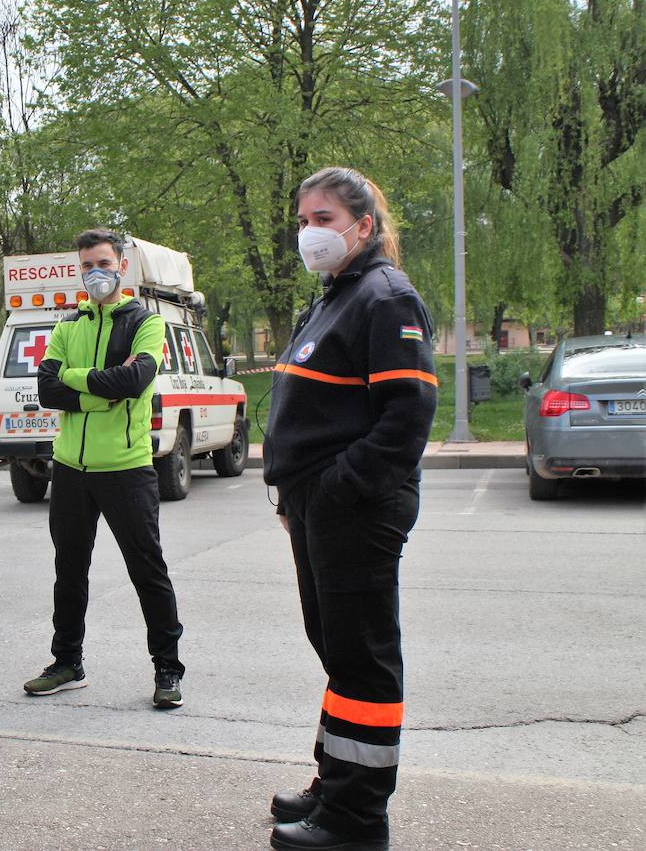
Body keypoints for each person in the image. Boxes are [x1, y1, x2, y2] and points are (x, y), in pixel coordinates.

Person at [263, 167, 438, 851]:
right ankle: (335, 781)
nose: (311, 233)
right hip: (315, 505)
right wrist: (293, 494)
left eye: (325, 219)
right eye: (304, 221)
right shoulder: (337, 295)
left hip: (353, 508)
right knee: (337, 649)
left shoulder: (384, 297)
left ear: (364, 226)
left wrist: (336, 489)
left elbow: (408, 416)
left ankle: (356, 820)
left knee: (362, 657)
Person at [23, 228, 186, 710]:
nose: (95, 273)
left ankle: (168, 670)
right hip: (71, 468)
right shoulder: (67, 324)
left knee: (147, 570)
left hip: (127, 468)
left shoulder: (144, 322)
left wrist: (78, 386)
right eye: (87, 265)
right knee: (69, 571)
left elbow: (137, 381)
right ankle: (67, 663)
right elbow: (48, 389)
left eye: (103, 263)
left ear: (121, 266)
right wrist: (101, 389)